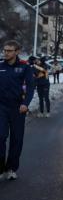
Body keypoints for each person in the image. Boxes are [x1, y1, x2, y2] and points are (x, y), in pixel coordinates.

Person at [0, 40, 35, 180]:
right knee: (0, 137)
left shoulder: (24, 67)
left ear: (17, 52)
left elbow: (30, 87)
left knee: (17, 139)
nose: (6, 53)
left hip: (18, 108)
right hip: (1, 107)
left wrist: (25, 103)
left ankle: (11, 168)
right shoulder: (0, 66)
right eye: (5, 50)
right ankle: (1, 168)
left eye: (9, 50)